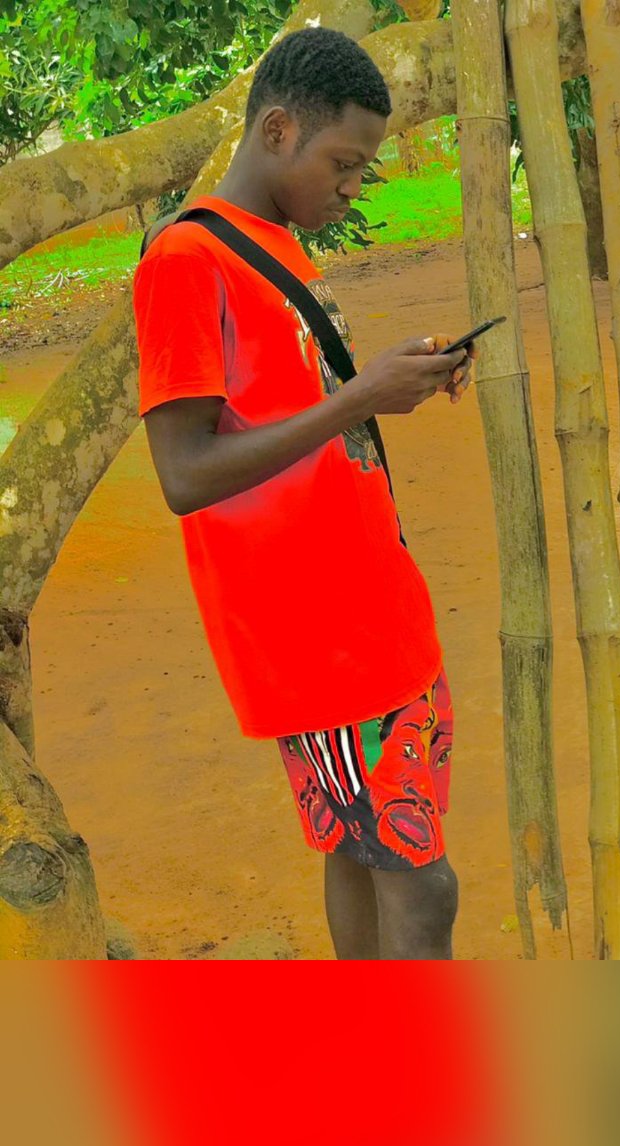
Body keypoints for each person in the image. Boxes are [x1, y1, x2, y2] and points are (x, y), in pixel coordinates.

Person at [133, 26, 477, 960]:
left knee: (363, 851)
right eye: (344, 163)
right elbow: (184, 473)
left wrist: (388, 386)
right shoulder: (185, 262)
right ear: (279, 129)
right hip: (317, 636)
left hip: (372, 610)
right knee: (422, 884)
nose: (353, 186)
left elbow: (298, 412)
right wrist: (358, 398)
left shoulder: (271, 243)